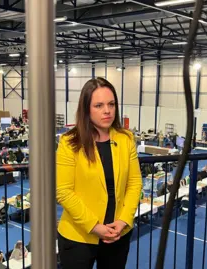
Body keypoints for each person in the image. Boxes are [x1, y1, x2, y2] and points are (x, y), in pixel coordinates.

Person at [56, 77, 142, 269]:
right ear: (87, 109)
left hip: (117, 234)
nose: (107, 110)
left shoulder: (126, 138)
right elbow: (64, 191)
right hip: (78, 238)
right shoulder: (69, 143)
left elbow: (135, 183)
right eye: (99, 105)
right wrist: (95, 227)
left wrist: (123, 220)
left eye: (111, 104)